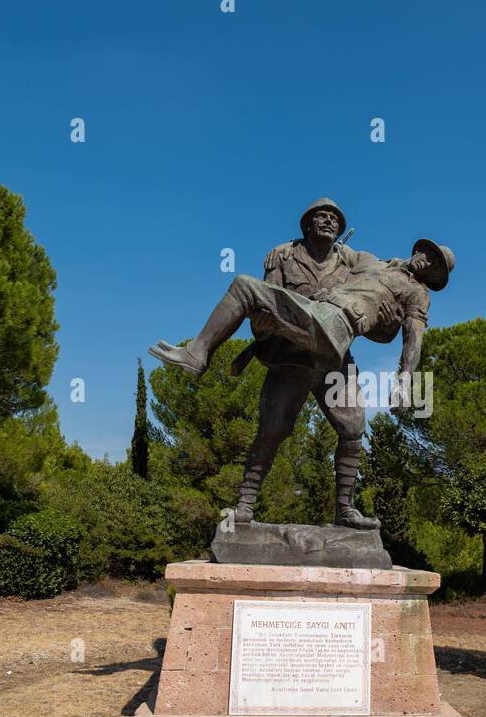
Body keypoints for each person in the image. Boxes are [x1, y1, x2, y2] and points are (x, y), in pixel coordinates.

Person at [149, 216, 454, 527]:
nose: (426, 260)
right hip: (305, 340)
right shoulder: (370, 261)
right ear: (418, 250)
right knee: (271, 431)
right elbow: (329, 247)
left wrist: (404, 378)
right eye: (427, 253)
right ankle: (244, 507)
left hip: (331, 332)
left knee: (353, 428)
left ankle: (345, 511)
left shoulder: (417, 293)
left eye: (434, 264)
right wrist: (284, 251)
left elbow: (413, 337)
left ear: (435, 277)